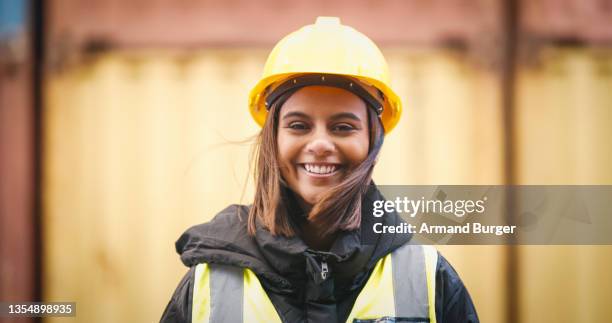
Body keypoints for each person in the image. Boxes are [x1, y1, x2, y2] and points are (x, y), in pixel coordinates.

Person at [161, 17, 479, 323]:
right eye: (299, 125)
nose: (320, 143)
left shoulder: (428, 278)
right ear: (273, 138)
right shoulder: (208, 284)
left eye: (343, 127)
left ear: (373, 141)